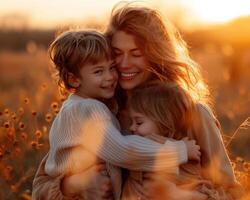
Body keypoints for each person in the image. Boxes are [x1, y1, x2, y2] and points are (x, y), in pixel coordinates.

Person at [32, 2, 240, 199]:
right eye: (116, 53)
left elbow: (232, 193)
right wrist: (76, 185)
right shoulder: (99, 111)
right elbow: (40, 187)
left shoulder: (192, 114)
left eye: (135, 54)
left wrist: (183, 196)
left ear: (156, 55)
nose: (124, 64)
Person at [32, 29, 200, 200]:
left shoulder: (76, 107)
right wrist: (178, 150)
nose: (110, 77)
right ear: (74, 79)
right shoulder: (88, 109)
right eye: (98, 71)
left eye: (112, 67)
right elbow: (122, 150)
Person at [122, 81, 240, 200]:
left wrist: (180, 194)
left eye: (139, 122)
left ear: (164, 123)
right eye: (131, 122)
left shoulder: (163, 146)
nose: (132, 128)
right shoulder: (178, 147)